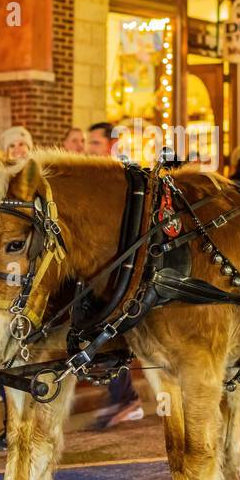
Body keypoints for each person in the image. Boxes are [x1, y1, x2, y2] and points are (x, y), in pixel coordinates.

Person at [86, 121, 143, 430]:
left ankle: (125, 398)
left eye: (93, 143)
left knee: (107, 333)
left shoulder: (119, 178)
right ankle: (123, 397)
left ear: (109, 146)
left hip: (114, 273)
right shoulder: (93, 178)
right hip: (97, 271)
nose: (87, 149)